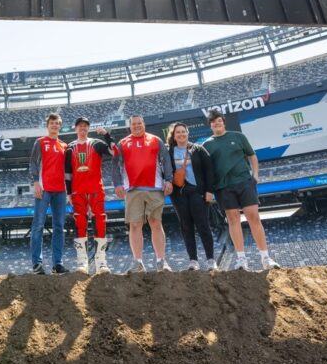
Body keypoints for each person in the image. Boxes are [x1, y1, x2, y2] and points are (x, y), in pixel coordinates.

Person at [202, 111, 280, 270]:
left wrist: (255, 174)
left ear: (223, 122)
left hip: (244, 182)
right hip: (223, 187)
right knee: (233, 219)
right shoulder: (206, 145)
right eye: (213, 122)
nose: (216, 123)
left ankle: (266, 258)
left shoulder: (238, 137)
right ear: (210, 125)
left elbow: (252, 155)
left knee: (253, 217)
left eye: (218, 120)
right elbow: (205, 170)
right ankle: (241, 260)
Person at [112, 115, 173, 273]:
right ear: (130, 126)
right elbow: (115, 164)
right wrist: (117, 184)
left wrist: (169, 179)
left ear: (144, 124)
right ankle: (138, 262)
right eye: (134, 124)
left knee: (155, 223)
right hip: (132, 189)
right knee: (135, 224)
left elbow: (165, 159)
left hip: (154, 187)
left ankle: (161, 261)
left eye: (139, 123)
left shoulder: (155, 140)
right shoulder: (123, 143)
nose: (137, 126)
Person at [64, 117, 115, 274]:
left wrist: (106, 135)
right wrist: (69, 193)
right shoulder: (69, 148)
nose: (83, 128)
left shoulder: (96, 143)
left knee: (100, 222)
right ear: (75, 128)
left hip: (95, 190)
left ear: (88, 128)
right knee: (80, 224)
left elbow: (114, 151)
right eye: (80, 126)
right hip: (78, 192)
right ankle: (82, 263)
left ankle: (101, 263)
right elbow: (67, 174)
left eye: (85, 126)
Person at [166, 122, 217, 271]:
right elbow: (165, 172)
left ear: (188, 133)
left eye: (183, 131)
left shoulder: (198, 149)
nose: (181, 134)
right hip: (179, 194)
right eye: (178, 132)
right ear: (173, 136)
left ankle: (210, 259)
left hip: (198, 192)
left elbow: (209, 170)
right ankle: (193, 260)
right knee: (186, 227)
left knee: (203, 225)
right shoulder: (169, 152)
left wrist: (209, 190)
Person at [29, 113, 69, 274]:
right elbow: (33, 163)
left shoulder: (65, 146)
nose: (54, 125)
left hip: (61, 190)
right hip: (44, 189)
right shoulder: (40, 142)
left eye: (57, 123)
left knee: (59, 227)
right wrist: (35, 182)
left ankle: (57, 264)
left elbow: (68, 170)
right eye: (52, 123)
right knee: (38, 225)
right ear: (48, 125)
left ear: (60, 126)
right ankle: (37, 264)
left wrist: (69, 191)